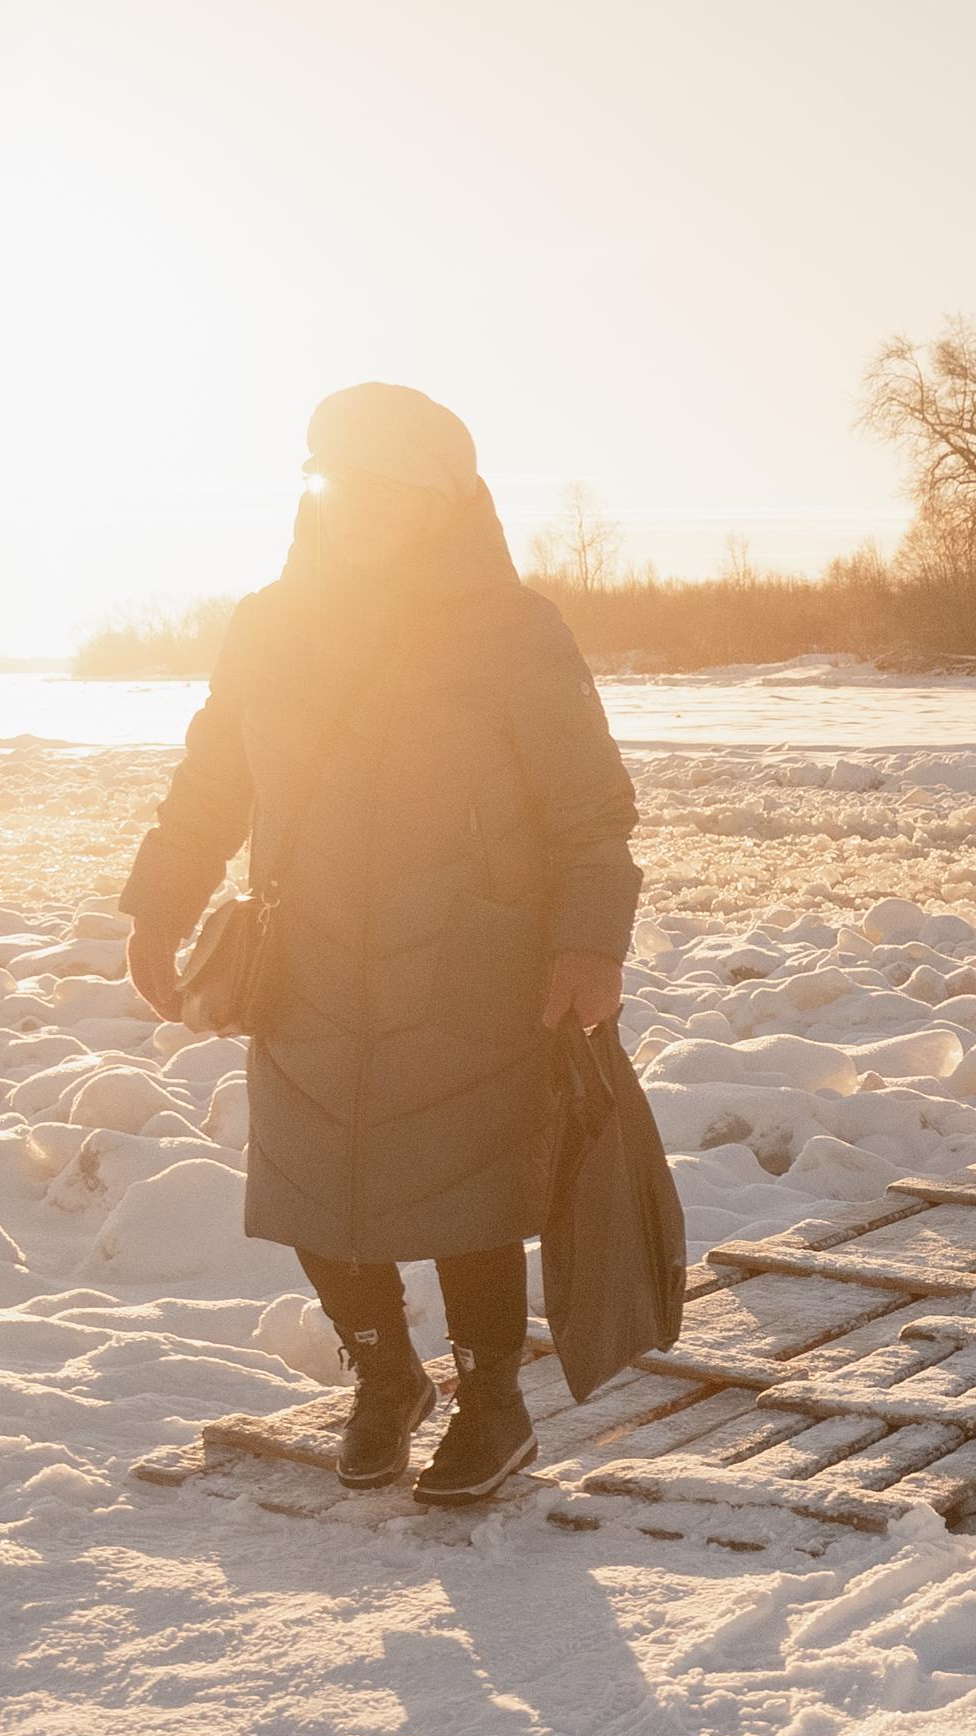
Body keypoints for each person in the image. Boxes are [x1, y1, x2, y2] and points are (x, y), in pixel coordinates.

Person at [121, 384, 640, 1505]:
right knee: (317, 1183)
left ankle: (493, 1398)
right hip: (305, 953)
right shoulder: (269, 623)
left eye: (386, 489)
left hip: (468, 956)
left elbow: (590, 808)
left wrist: (589, 942)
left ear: (441, 502)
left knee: (465, 1191)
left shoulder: (512, 627)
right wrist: (157, 906)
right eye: (337, 483)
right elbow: (214, 780)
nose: (357, 508)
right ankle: (384, 1375)